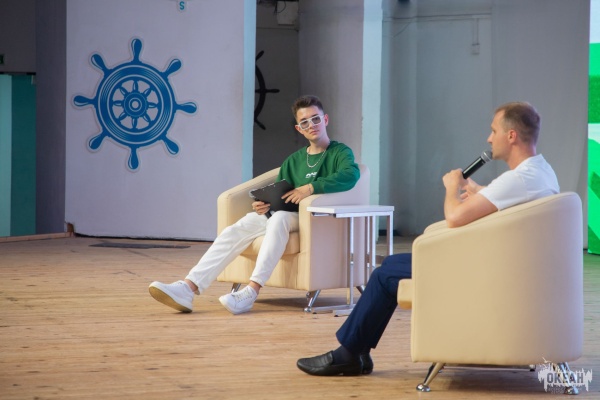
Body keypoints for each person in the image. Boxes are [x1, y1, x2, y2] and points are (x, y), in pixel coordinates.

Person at [296, 101, 560, 376]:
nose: (489, 138)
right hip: (505, 267)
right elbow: (510, 204)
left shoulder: (517, 180)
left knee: (385, 275)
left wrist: (452, 188)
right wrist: (480, 191)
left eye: (494, 131)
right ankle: (356, 352)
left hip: (486, 272)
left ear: (511, 135)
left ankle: (348, 355)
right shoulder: (539, 171)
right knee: (391, 265)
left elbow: (454, 217)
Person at [149, 95, 360, 315]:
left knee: (279, 219)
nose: (312, 125)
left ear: (325, 120)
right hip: (287, 213)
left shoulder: (340, 152)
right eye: (305, 122)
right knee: (237, 228)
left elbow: (351, 175)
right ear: (299, 129)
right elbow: (283, 191)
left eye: (315, 119)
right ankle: (188, 288)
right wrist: (266, 204)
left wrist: (310, 188)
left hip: (314, 217)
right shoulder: (294, 160)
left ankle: (251, 291)